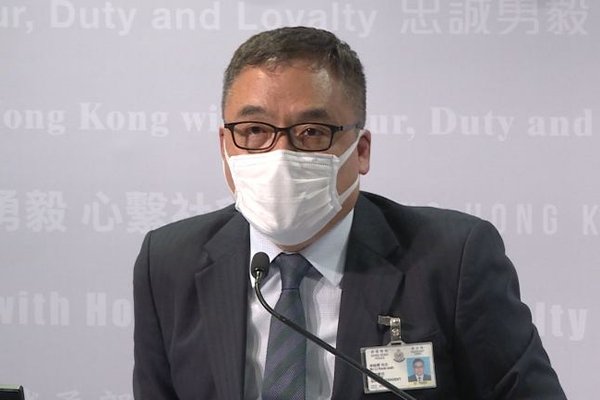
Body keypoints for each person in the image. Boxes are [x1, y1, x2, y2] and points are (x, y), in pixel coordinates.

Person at [133, 26, 566, 399]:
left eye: (312, 132)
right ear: (225, 147)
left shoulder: (452, 260)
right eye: (254, 131)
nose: (280, 153)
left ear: (360, 151)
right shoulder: (169, 262)